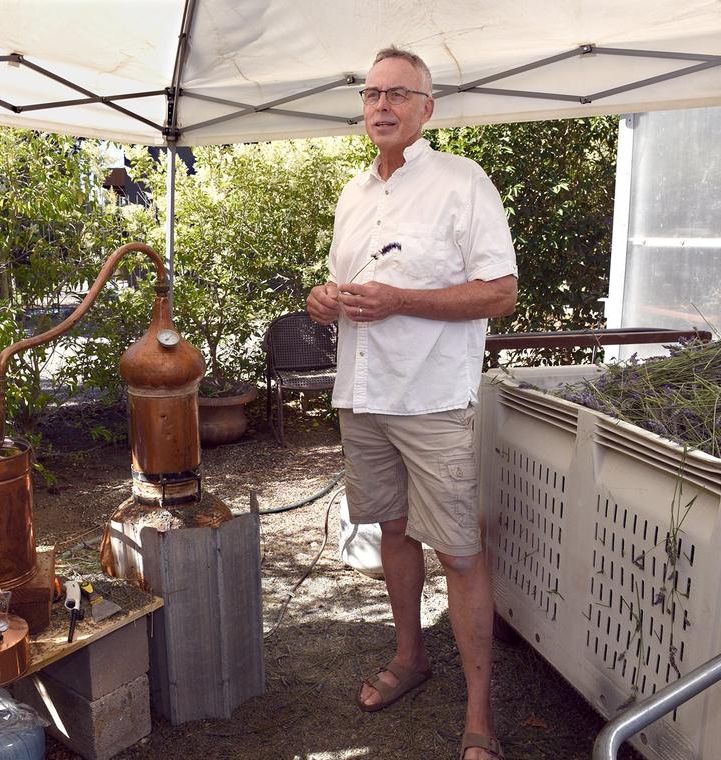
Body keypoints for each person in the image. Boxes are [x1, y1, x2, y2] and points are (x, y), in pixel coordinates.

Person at [306, 46, 517, 760]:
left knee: (458, 553)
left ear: (428, 110)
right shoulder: (353, 194)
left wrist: (401, 300)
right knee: (392, 532)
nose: (382, 105)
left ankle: (481, 713)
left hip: (432, 399)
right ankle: (411, 658)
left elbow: (500, 292)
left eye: (399, 94)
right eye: (371, 93)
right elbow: (342, 293)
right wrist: (322, 302)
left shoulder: (463, 182)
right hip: (362, 395)